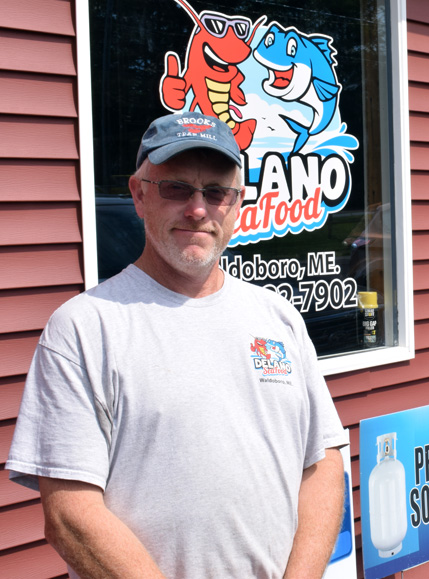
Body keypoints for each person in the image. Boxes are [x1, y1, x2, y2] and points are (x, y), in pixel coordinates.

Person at [6, 112, 349, 578]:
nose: (198, 209)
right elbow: (70, 515)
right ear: (139, 194)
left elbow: (323, 463)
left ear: (238, 203)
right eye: (176, 188)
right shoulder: (84, 329)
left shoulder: (279, 318)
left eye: (216, 192)